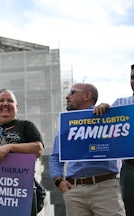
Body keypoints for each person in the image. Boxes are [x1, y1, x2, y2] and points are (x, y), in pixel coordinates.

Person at [49, 83, 125, 216]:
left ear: (87, 95)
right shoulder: (66, 125)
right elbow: (55, 156)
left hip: (105, 188)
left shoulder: (106, 116)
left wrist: (109, 112)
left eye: (72, 92)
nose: (67, 96)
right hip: (74, 191)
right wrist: (58, 180)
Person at [93, 64, 134, 216]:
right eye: (132, 77)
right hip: (130, 167)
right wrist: (104, 108)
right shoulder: (121, 104)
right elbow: (106, 125)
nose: (133, 81)